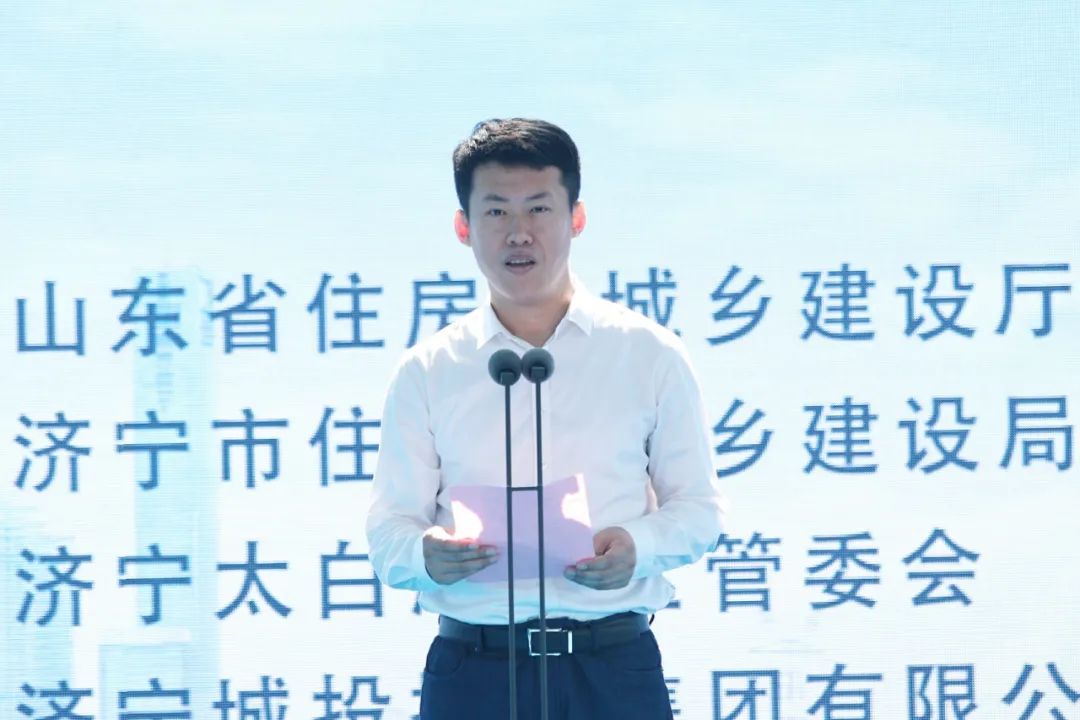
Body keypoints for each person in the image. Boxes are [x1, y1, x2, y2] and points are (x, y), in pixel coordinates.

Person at [366, 118, 727, 719]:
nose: (519, 233)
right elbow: (388, 530)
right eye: (496, 212)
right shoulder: (428, 370)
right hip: (473, 672)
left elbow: (699, 510)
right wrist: (425, 554)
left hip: (611, 668)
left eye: (538, 208)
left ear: (576, 218)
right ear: (463, 227)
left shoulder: (648, 354)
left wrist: (638, 547)